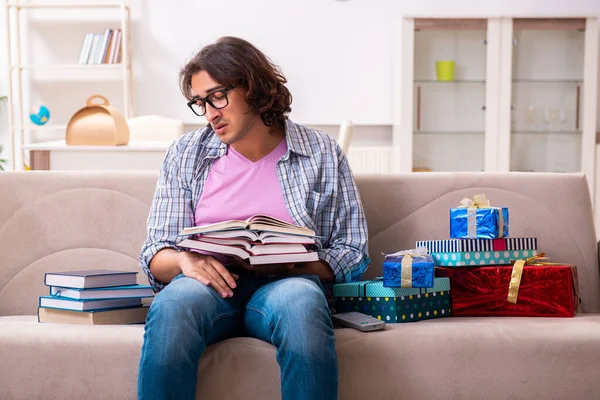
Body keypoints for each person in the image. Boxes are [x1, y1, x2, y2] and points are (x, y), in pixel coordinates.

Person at [137, 36, 370, 400]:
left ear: (253, 87)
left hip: (287, 285)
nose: (210, 112)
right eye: (200, 103)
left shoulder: (322, 152)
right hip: (208, 289)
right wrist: (186, 260)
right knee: (172, 307)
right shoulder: (186, 153)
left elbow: (352, 249)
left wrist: (296, 265)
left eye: (217, 96)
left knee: (302, 305)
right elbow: (155, 249)